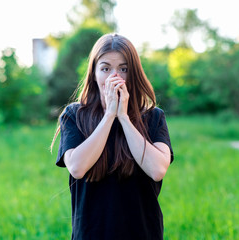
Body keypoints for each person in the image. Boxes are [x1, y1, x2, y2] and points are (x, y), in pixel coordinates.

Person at [52, 33, 174, 240]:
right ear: (94, 73)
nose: (114, 77)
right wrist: (109, 115)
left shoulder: (153, 116)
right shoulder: (74, 115)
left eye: (123, 69)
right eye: (105, 68)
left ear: (133, 74)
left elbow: (157, 170)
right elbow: (77, 168)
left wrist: (124, 118)